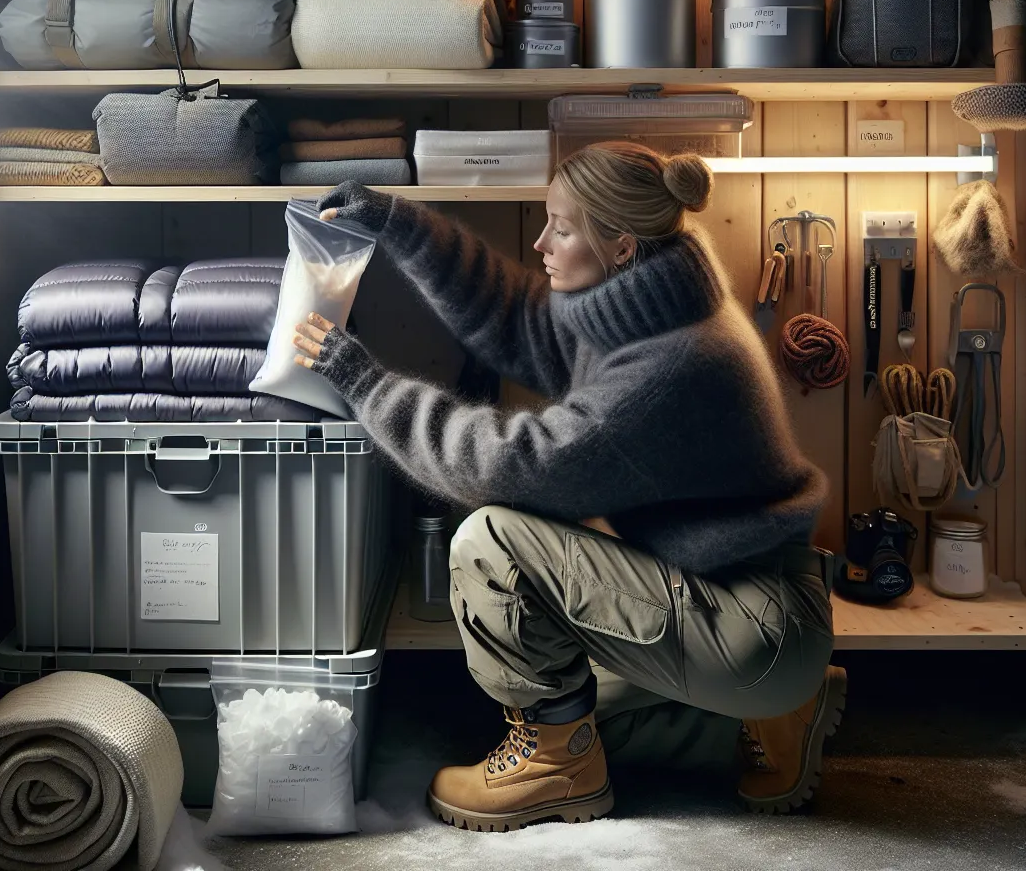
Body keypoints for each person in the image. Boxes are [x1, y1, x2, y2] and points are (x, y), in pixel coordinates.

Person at [289, 142, 845, 832]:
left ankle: (560, 770)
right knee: (570, 696)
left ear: (618, 246)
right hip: (746, 602)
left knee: (492, 541)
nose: (540, 241)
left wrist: (365, 381)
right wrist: (398, 224)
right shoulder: (651, 306)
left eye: (563, 226)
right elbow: (515, 315)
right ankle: (768, 720)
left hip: (753, 622)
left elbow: (503, 466)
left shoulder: (669, 369)